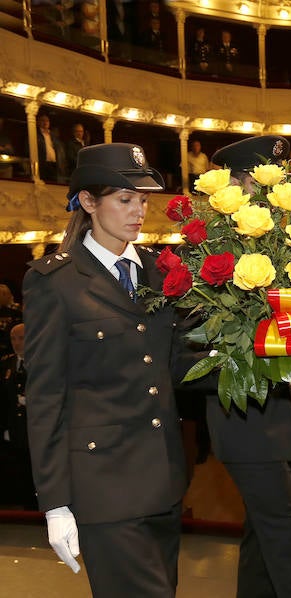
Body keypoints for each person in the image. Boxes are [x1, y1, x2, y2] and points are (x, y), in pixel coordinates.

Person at [23, 143, 197, 595]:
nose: (139, 212)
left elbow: (176, 365)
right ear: (88, 201)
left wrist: (263, 360)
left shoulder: (158, 272)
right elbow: (46, 397)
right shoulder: (56, 282)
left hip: (164, 480)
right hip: (104, 486)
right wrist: (55, 502)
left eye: (142, 200)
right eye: (125, 199)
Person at [206, 136, 291, 598]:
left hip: (290, 418)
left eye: (278, 180)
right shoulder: (210, 252)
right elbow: (204, 340)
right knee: (287, 543)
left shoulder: (289, 242)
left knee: (262, 544)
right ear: (235, 184)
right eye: (260, 180)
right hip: (247, 420)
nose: (271, 190)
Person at [1, 323, 35, 509]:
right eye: (13, 338)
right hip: (14, 429)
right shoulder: (5, 364)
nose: (16, 343)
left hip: (35, 427)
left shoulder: (39, 362)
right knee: (18, 469)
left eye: (21, 338)